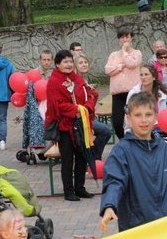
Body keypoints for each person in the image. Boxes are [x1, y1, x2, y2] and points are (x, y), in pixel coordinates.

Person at [99, 92, 167, 233]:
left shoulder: (165, 150)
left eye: (148, 114)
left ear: (155, 117)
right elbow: (114, 181)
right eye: (138, 115)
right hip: (136, 229)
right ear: (128, 119)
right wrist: (109, 205)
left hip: (166, 228)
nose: (144, 120)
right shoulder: (121, 152)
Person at [46, 49, 97, 201]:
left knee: (82, 156)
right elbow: (56, 105)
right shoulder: (54, 81)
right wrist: (75, 110)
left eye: (70, 61)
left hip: (81, 123)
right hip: (65, 126)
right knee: (68, 160)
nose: (69, 65)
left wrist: (86, 108)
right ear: (57, 65)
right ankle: (68, 191)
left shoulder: (77, 79)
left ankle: (80, 188)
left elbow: (88, 95)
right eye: (65, 62)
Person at [104, 26, 142, 141]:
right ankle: (124, 141)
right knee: (117, 122)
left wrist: (125, 52)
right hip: (117, 93)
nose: (124, 40)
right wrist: (120, 66)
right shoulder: (113, 55)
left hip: (132, 93)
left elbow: (131, 63)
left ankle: (136, 141)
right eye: (121, 37)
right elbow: (108, 70)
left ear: (131, 38)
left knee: (134, 120)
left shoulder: (137, 53)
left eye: (127, 37)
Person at [74, 53, 112, 160]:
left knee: (105, 131)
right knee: (105, 131)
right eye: (80, 63)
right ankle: (94, 158)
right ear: (75, 66)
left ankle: (93, 158)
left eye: (86, 62)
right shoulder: (75, 80)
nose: (84, 64)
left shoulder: (83, 79)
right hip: (80, 119)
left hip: (87, 116)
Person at [124, 63, 167, 132]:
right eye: (141, 75)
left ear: (154, 77)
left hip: (156, 128)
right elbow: (128, 114)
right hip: (135, 128)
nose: (143, 77)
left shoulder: (160, 95)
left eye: (146, 74)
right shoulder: (134, 92)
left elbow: (162, 116)